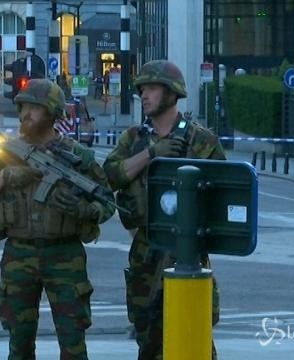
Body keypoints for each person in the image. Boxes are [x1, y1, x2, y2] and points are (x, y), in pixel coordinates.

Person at [0, 78, 115, 359]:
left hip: (65, 254)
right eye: (23, 106)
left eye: (34, 108)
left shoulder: (77, 157)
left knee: (73, 344)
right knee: (19, 344)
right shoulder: (4, 154)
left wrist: (85, 210)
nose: (26, 113)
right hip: (19, 252)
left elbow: (107, 201)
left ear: (52, 112)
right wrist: (3, 177)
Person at [102, 60, 226, 360]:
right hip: (145, 250)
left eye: (152, 88)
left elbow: (224, 194)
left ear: (172, 93)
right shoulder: (133, 139)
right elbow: (110, 175)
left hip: (188, 251)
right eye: (142, 89)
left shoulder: (201, 141)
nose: (144, 95)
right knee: (148, 339)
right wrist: (151, 154)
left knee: (193, 334)